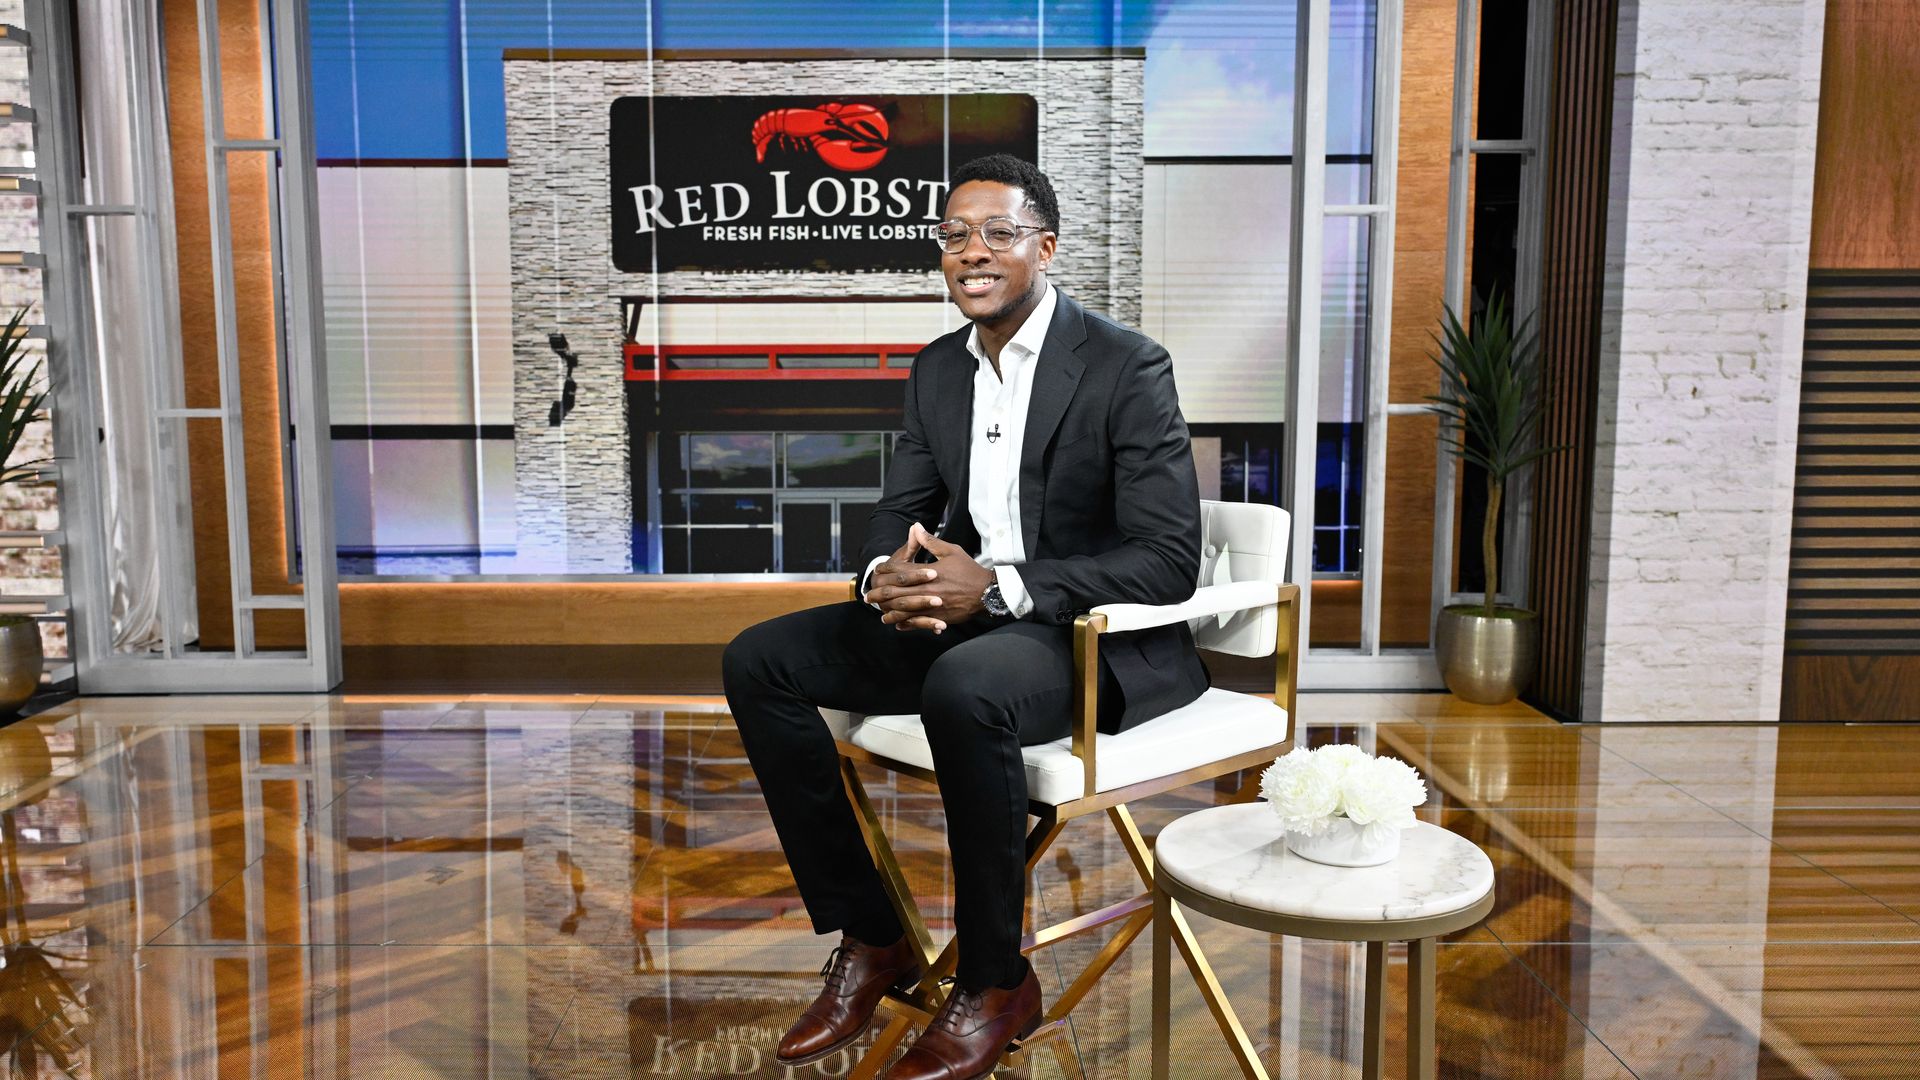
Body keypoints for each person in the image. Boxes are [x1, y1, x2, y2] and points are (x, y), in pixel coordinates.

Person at [722, 153, 1205, 1080]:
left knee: (966, 683)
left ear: (1045, 247)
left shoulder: (1126, 365)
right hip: (970, 620)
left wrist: (999, 587)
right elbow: (896, 505)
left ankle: (995, 981)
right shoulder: (939, 367)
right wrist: (884, 578)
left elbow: (1167, 558)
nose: (971, 252)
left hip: (1084, 634)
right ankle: (874, 939)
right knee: (760, 660)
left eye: (997, 233)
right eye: (953, 236)